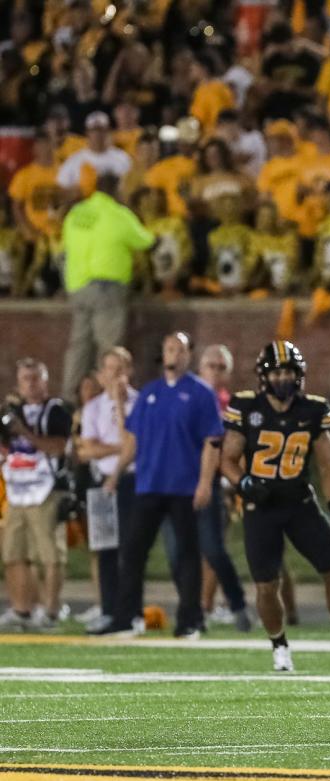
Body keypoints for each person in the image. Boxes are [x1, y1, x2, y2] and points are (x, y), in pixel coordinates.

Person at [220, 341, 330, 672]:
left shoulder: (314, 410)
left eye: (288, 372)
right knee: (267, 583)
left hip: (299, 502)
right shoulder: (246, 407)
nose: (282, 378)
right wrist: (244, 484)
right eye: (276, 372)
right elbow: (228, 460)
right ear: (264, 377)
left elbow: (327, 463)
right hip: (260, 506)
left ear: (299, 375)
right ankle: (279, 646)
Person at [95, 333, 221, 638]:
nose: (172, 354)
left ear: (189, 354)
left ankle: (190, 620)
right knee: (133, 551)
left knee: (185, 555)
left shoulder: (201, 393)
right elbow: (134, 440)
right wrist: (116, 474)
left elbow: (212, 442)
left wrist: (205, 482)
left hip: (183, 486)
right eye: (168, 349)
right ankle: (128, 617)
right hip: (149, 484)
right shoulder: (151, 393)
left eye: (178, 349)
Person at [162, 344, 252, 632]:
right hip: (174, 484)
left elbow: (229, 448)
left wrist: (228, 481)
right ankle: (193, 611)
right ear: (200, 368)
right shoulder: (179, 395)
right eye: (210, 365)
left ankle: (236, 603)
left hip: (210, 482)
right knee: (176, 554)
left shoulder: (233, 407)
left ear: (229, 373)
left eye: (220, 367)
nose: (214, 371)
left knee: (213, 549)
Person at [59, 172, 154, 401]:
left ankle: (69, 400)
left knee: (79, 347)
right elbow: (146, 240)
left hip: (77, 286)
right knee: (108, 348)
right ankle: (107, 401)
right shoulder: (118, 214)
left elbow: (65, 242)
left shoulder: (77, 212)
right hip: (107, 287)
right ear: (116, 189)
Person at [0, 359, 71, 630]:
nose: (30, 383)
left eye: (35, 378)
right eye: (25, 379)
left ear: (45, 380)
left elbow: (57, 447)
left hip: (45, 492)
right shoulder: (11, 412)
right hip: (16, 492)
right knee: (13, 554)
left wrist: (25, 433)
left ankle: (50, 610)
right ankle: (22, 609)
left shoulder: (56, 411)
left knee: (50, 556)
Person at [76, 347, 138, 634]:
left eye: (120, 368)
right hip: (102, 480)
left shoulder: (140, 403)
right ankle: (108, 609)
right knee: (105, 548)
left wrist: (120, 405)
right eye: (110, 369)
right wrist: (118, 448)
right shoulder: (93, 408)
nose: (115, 375)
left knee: (130, 547)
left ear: (130, 371)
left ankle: (131, 612)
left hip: (131, 480)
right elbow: (87, 450)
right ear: (101, 375)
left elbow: (137, 445)